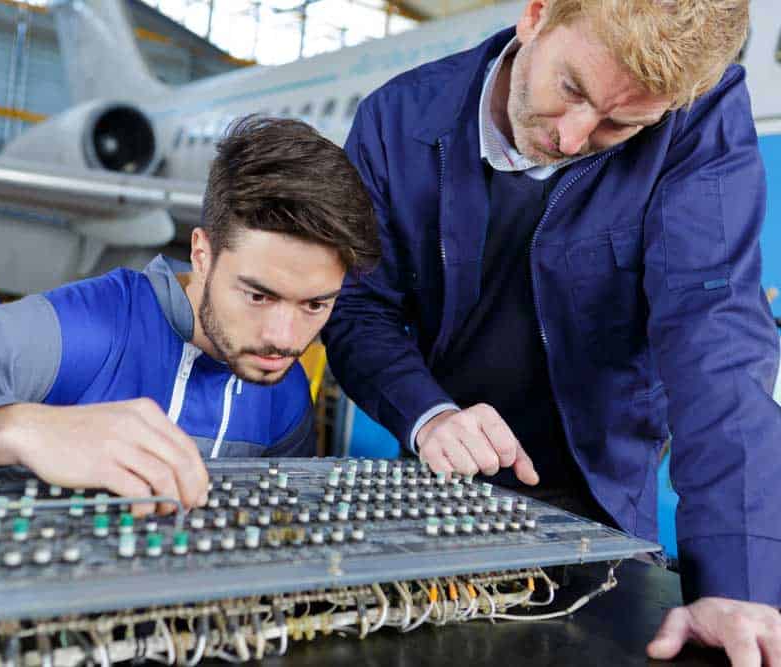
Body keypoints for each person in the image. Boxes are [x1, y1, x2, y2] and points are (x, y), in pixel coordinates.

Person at [321, 0, 781, 662]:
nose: (571, 138)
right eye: (571, 89)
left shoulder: (697, 117)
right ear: (537, 14)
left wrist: (738, 583)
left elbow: (715, 330)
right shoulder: (397, 121)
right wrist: (426, 414)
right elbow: (360, 305)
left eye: (621, 125)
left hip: (604, 492)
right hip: (446, 473)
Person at [0, 116, 380, 517]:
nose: (284, 338)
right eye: (257, 295)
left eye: (315, 306)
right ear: (201, 252)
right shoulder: (78, 334)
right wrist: (13, 428)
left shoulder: (284, 393)